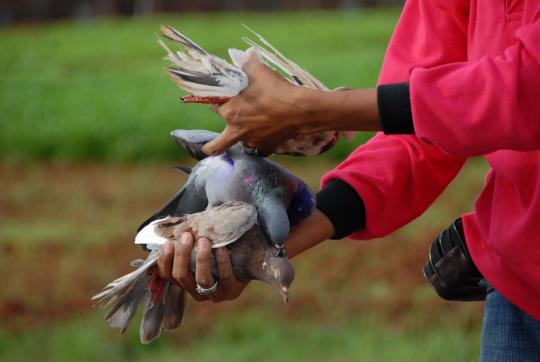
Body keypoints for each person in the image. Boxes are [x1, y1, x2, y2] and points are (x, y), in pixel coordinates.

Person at [157, 0, 540, 359]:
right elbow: (415, 139)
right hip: (516, 290)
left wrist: (317, 112)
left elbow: (527, 88)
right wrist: (252, 255)